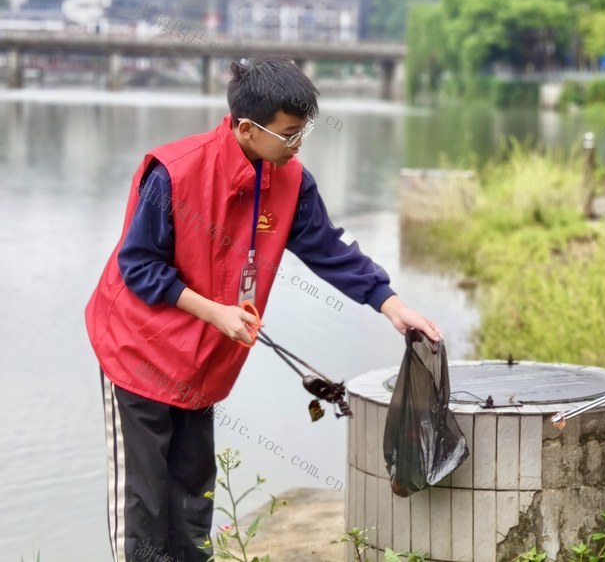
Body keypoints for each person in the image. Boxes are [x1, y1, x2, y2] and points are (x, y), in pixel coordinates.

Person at [85, 58, 441, 562]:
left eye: (303, 132)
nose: (298, 145)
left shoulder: (289, 179)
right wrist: (216, 312)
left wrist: (390, 303)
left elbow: (329, 249)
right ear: (247, 129)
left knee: (192, 498)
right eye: (290, 133)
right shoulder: (174, 173)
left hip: (201, 361)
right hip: (136, 352)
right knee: (142, 509)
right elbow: (138, 266)